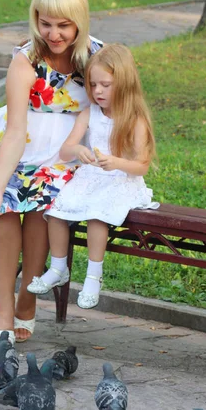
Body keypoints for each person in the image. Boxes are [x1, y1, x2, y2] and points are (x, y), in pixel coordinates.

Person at [0, 0, 103, 345]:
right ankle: (5, 308)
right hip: (17, 143)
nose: (53, 33)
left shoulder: (96, 58)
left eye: (63, 25)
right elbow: (14, 131)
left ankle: (29, 295)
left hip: (67, 151)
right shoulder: (25, 60)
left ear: (79, 20)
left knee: (47, 204)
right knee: (2, 203)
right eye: (45, 23)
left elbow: (118, 111)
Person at [27, 43, 159, 309]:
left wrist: (117, 162)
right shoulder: (90, 113)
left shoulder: (134, 119)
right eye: (93, 84)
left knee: (97, 214)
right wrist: (79, 150)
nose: (97, 91)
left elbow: (141, 165)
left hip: (122, 180)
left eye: (106, 85)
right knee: (57, 209)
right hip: (92, 177)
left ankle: (93, 277)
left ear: (125, 83)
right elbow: (66, 150)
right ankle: (58, 267)